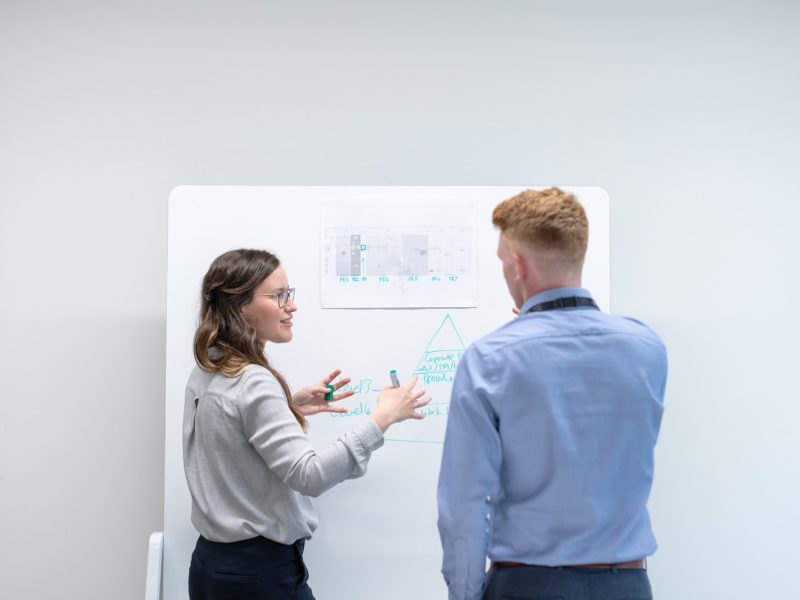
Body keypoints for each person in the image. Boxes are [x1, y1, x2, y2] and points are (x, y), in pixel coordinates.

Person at [437, 188, 667, 600]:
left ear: (519, 266)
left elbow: (465, 505)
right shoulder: (647, 349)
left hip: (529, 586)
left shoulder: (490, 360)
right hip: (628, 586)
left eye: (503, 263)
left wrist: (464, 594)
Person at [183, 248, 430, 600]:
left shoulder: (210, 368)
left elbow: (227, 431)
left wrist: (287, 406)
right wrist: (382, 419)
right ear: (240, 307)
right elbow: (309, 475)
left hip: (213, 567)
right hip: (259, 575)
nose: (291, 305)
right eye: (278, 295)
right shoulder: (254, 381)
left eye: (289, 293)